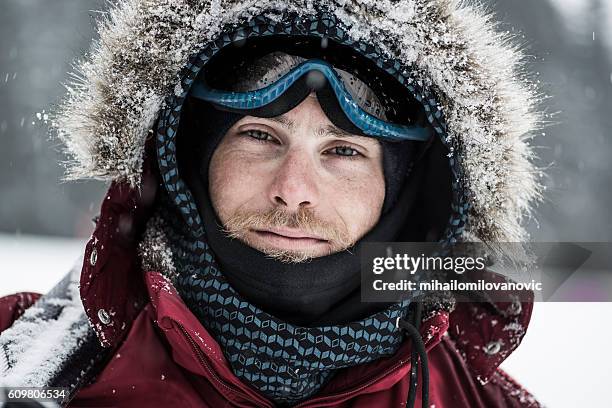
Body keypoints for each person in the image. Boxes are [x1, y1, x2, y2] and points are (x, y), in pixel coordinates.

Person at [0, 1, 543, 407]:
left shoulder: (480, 398)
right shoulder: (23, 360)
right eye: (260, 136)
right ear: (185, 154)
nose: (294, 189)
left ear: (404, 192)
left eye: (343, 150)